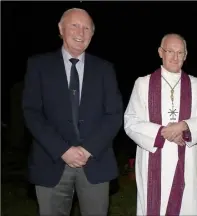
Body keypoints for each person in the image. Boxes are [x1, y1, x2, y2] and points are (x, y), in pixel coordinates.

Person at [22, 8, 123, 216]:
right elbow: (32, 112)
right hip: (51, 162)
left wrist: (87, 150)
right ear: (61, 29)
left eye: (87, 28)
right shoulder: (38, 65)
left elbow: (114, 115)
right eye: (74, 25)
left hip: (95, 162)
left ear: (92, 34)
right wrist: (62, 150)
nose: (81, 32)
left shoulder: (105, 69)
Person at [124, 33, 197, 216]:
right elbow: (131, 121)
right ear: (160, 52)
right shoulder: (143, 84)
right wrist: (162, 132)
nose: (175, 57)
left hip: (185, 160)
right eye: (170, 51)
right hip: (152, 158)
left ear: (186, 55)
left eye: (180, 52)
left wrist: (183, 126)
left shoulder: (196, 85)